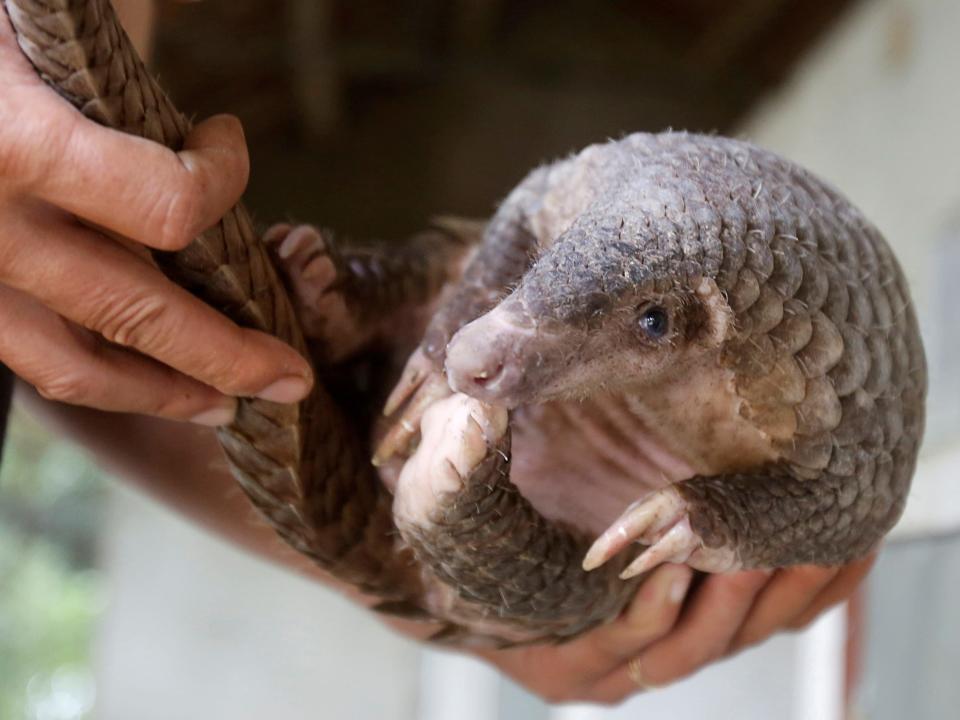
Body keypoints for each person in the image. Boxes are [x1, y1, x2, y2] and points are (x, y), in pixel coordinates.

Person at [0, 0, 874, 704]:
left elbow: (73, 318)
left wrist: (420, 583)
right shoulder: (586, 214)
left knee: (548, 557)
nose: (477, 355)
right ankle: (378, 350)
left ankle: (431, 485)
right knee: (465, 282)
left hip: (610, 497)